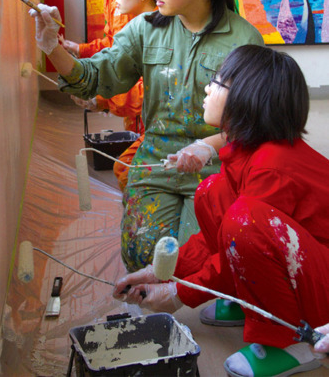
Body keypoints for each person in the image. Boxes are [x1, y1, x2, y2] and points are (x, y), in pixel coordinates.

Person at [29, 0, 264, 272]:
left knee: (192, 259)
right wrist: (52, 47)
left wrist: (207, 148)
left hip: (217, 166)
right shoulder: (145, 29)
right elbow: (96, 77)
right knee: (143, 254)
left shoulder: (244, 40)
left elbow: (255, 123)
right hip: (156, 161)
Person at [113, 45, 329, 377]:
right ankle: (252, 302)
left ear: (246, 98)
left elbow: (239, 242)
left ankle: (291, 341)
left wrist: (179, 294)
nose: (207, 88)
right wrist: (162, 272)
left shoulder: (272, 166)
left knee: (245, 222)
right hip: (305, 270)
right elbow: (216, 241)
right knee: (211, 192)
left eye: (218, 81)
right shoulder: (246, 152)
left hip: (321, 291)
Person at [74, 0, 157, 190]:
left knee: (125, 168)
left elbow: (150, 91)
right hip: (140, 119)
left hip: (155, 123)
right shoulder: (137, 27)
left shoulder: (153, 31)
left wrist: (100, 99)